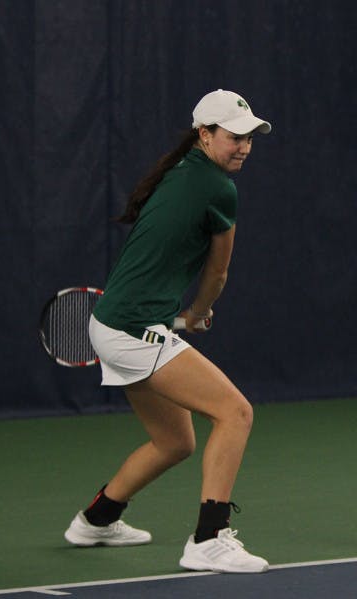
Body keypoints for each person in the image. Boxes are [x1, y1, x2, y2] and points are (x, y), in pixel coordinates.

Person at [63, 89, 272, 574]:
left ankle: (97, 518)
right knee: (235, 413)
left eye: (249, 138)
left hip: (116, 322)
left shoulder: (182, 173)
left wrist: (183, 314)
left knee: (176, 441)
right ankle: (209, 538)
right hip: (133, 327)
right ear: (205, 134)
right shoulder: (218, 189)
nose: (243, 146)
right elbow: (217, 275)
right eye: (234, 137)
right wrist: (199, 311)